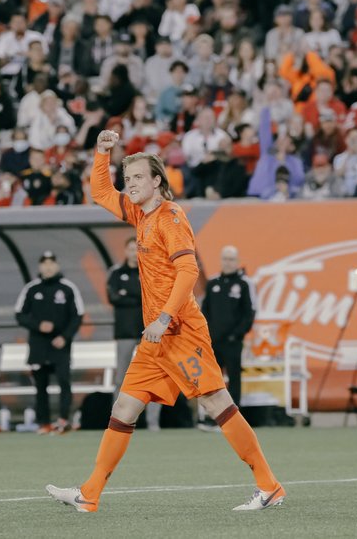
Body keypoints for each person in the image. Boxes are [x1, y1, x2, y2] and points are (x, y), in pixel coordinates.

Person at [45, 129, 284, 513]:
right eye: (129, 178)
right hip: (155, 338)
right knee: (123, 409)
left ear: (158, 181)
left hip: (180, 331)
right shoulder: (140, 212)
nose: (131, 185)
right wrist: (101, 154)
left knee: (217, 404)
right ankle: (90, 494)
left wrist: (164, 316)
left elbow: (188, 272)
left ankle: (269, 485)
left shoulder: (171, 217)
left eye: (138, 177)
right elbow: (101, 194)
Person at [16, 251, 85, 435]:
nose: (48, 266)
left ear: (57, 266)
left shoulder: (68, 288)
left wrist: (65, 337)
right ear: (39, 267)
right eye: (44, 263)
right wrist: (38, 325)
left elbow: (77, 316)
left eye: (51, 263)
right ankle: (43, 423)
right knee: (40, 386)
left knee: (64, 382)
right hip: (38, 346)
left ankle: (63, 420)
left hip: (60, 346)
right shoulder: (31, 288)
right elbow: (19, 314)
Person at [199, 246, 256, 431]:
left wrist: (237, 334)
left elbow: (250, 312)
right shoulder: (212, 283)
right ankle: (212, 418)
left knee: (234, 378)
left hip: (233, 341)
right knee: (212, 381)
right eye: (225, 258)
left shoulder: (245, 283)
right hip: (213, 341)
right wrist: (206, 334)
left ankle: (233, 422)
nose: (228, 262)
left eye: (231, 259)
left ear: (237, 261)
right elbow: (204, 310)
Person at [106, 238, 160, 431]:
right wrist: (137, 295)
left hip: (149, 332)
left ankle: (153, 422)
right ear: (125, 251)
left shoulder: (150, 270)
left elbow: (152, 295)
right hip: (124, 333)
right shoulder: (115, 272)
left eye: (136, 249)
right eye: (130, 248)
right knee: (121, 377)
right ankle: (117, 420)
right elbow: (113, 297)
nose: (133, 252)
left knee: (154, 377)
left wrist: (127, 294)